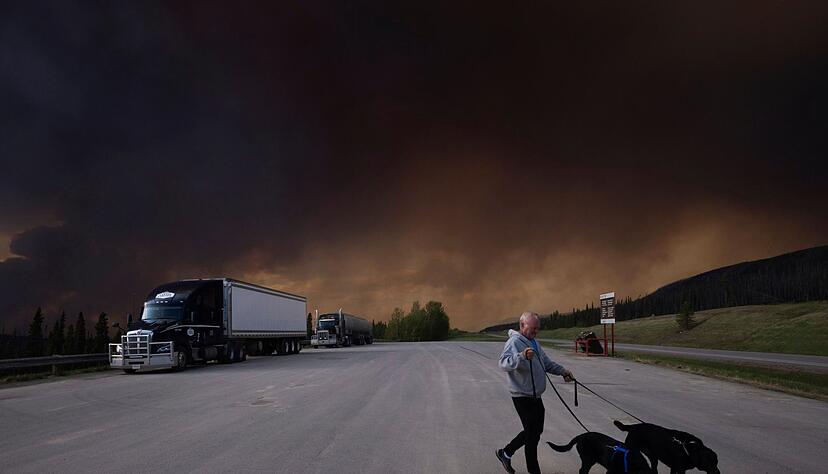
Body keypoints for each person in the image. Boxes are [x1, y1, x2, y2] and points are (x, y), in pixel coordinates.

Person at [496, 312, 574, 474]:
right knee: (532, 436)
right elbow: (503, 363)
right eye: (533, 328)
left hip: (535, 396)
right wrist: (521, 356)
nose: (536, 331)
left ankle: (506, 452)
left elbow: (546, 363)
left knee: (535, 432)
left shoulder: (534, 342)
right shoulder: (514, 342)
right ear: (522, 326)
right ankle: (533, 470)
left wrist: (563, 371)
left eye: (538, 328)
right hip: (522, 396)